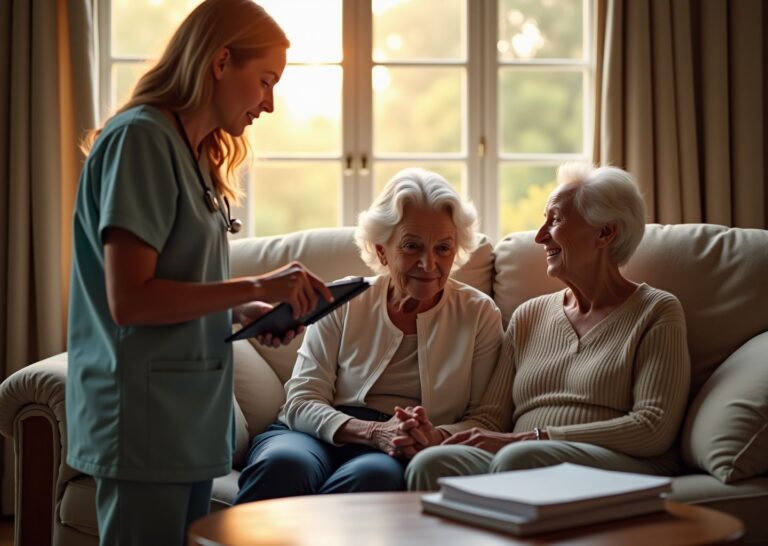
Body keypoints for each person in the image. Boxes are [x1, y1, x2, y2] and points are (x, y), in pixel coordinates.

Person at [66, 2, 333, 544]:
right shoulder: (140, 140)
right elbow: (130, 300)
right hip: (144, 417)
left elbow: (179, 278)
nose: (270, 103)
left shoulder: (195, 154)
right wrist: (259, 284)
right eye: (264, 81)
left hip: (184, 417)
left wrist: (243, 311)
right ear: (220, 61)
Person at [403, 162, 691, 490]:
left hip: (619, 461)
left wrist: (539, 437)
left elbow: (653, 428)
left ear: (605, 233)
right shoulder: (529, 316)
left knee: (521, 460)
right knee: (431, 463)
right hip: (524, 452)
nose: (540, 236)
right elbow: (491, 419)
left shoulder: (656, 311)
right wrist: (437, 435)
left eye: (554, 220)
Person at [233, 168, 504, 503]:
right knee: (283, 464)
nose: (429, 263)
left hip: (398, 447)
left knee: (374, 477)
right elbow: (301, 401)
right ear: (381, 251)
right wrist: (374, 432)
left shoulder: (479, 313)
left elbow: (488, 418)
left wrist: (433, 435)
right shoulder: (345, 300)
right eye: (411, 245)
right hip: (314, 432)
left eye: (443, 248)